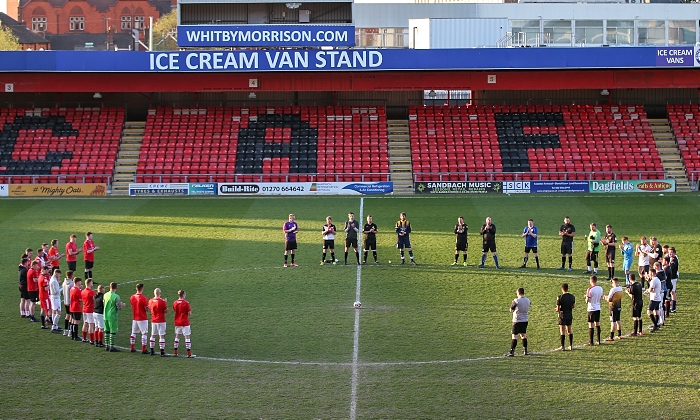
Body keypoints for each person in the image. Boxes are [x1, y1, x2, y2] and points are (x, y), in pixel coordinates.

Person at [506, 288, 530, 357]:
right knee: (523, 335)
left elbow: (511, 310)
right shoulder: (528, 300)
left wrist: (512, 303)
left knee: (514, 336)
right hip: (525, 320)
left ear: (518, 293)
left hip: (517, 320)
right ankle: (525, 350)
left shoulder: (516, 301)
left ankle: (511, 351)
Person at [103, 282, 126, 352]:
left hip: (105, 314)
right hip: (112, 315)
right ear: (116, 288)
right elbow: (118, 307)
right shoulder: (116, 296)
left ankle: (106, 346)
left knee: (106, 330)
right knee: (112, 331)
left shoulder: (105, 295)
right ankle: (111, 347)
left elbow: (104, 303)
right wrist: (122, 305)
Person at [173, 289, 194, 358]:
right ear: (183, 295)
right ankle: (189, 353)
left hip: (177, 322)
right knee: (187, 337)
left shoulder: (175, 303)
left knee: (177, 336)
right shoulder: (186, 303)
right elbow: (189, 313)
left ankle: (175, 352)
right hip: (185, 322)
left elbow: (175, 310)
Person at [130, 283, 150, 354]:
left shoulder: (132, 297)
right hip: (142, 317)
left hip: (135, 317)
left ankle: (132, 348)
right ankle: (144, 349)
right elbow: (146, 309)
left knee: (133, 333)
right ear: (142, 289)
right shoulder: (143, 298)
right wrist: (149, 307)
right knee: (144, 333)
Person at [148, 288, 168, 356]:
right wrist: (165, 302)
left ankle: (152, 350)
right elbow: (166, 310)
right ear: (160, 293)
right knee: (161, 336)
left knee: (153, 335)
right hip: (161, 320)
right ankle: (162, 352)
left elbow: (149, 308)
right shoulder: (162, 301)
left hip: (153, 320)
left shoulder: (150, 301)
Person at [555, 283, 575, 351]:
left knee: (562, 331)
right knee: (569, 330)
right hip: (569, 315)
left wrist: (557, 309)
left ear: (562, 289)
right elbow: (573, 306)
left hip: (562, 315)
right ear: (567, 288)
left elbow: (557, 309)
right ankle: (571, 345)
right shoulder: (572, 296)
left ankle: (563, 346)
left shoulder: (560, 297)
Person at [584, 275, 603, 346]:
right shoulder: (600, 288)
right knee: (597, 323)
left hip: (591, 308)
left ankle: (591, 342)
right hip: (598, 307)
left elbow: (587, 300)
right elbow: (600, 298)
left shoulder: (590, 289)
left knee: (591, 324)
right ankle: (599, 340)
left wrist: (586, 297)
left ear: (591, 281)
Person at [646, 268, 663, 332]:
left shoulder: (654, 281)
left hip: (654, 298)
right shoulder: (657, 279)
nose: (649, 275)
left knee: (649, 312)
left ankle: (655, 325)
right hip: (658, 297)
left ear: (652, 273)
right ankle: (656, 325)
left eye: (649, 274)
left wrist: (648, 290)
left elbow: (650, 290)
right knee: (656, 311)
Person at [81, 279, 96, 344]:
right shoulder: (91, 292)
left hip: (84, 309)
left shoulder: (83, 291)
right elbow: (94, 300)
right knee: (91, 325)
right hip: (90, 309)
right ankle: (92, 340)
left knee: (85, 323)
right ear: (89, 283)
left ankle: (84, 338)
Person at [48, 268, 62, 333]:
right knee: (58, 312)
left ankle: (55, 326)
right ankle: (54, 326)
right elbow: (56, 291)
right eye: (59, 275)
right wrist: (62, 288)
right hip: (56, 298)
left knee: (54, 311)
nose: (59, 276)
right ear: (56, 273)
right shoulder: (54, 281)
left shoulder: (53, 279)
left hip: (53, 297)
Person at [61, 271, 75, 336]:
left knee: (67, 315)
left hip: (65, 301)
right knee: (71, 317)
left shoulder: (64, 283)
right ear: (71, 276)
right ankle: (70, 331)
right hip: (70, 302)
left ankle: (65, 330)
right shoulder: (71, 284)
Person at [667, 247, 679, 313]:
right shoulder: (672, 259)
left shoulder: (674, 261)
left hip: (673, 278)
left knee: (672, 292)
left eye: (671, 253)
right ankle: (671, 307)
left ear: (674, 253)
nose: (670, 254)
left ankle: (673, 308)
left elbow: (670, 269)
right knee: (671, 292)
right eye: (669, 253)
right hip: (672, 278)